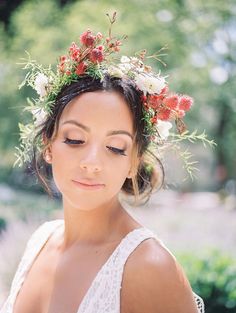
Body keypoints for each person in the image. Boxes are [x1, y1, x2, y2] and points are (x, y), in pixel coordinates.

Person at [1, 13, 205, 313]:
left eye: (114, 147)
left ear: (135, 161)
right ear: (49, 145)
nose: (92, 163)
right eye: (74, 139)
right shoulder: (39, 241)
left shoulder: (149, 267)